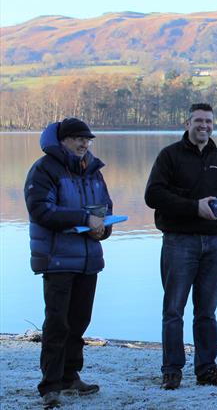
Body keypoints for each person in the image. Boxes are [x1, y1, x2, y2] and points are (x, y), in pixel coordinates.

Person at [144, 103, 217, 390]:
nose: (204, 126)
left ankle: (206, 367)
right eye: (199, 120)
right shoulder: (169, 156)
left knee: (207, 311)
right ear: (187, 123)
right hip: (179, 242)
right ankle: (172, 370)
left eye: (209, 121)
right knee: (174, 309)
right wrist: (193, 208)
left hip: (215, 245)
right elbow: (153, 195)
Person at [24, 118, 112, 408]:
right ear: (62, 140)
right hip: (57, 259)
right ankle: (50, 386)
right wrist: (84, 219)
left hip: (88, 259)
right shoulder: (44, 169)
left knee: (79, 322)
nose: (83, 143)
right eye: (77, 138)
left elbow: (105, 208)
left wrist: (104, 227)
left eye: (87, 139)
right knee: (57, 323)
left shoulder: (94, 171)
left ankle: (71, 376)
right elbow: (42, 211)